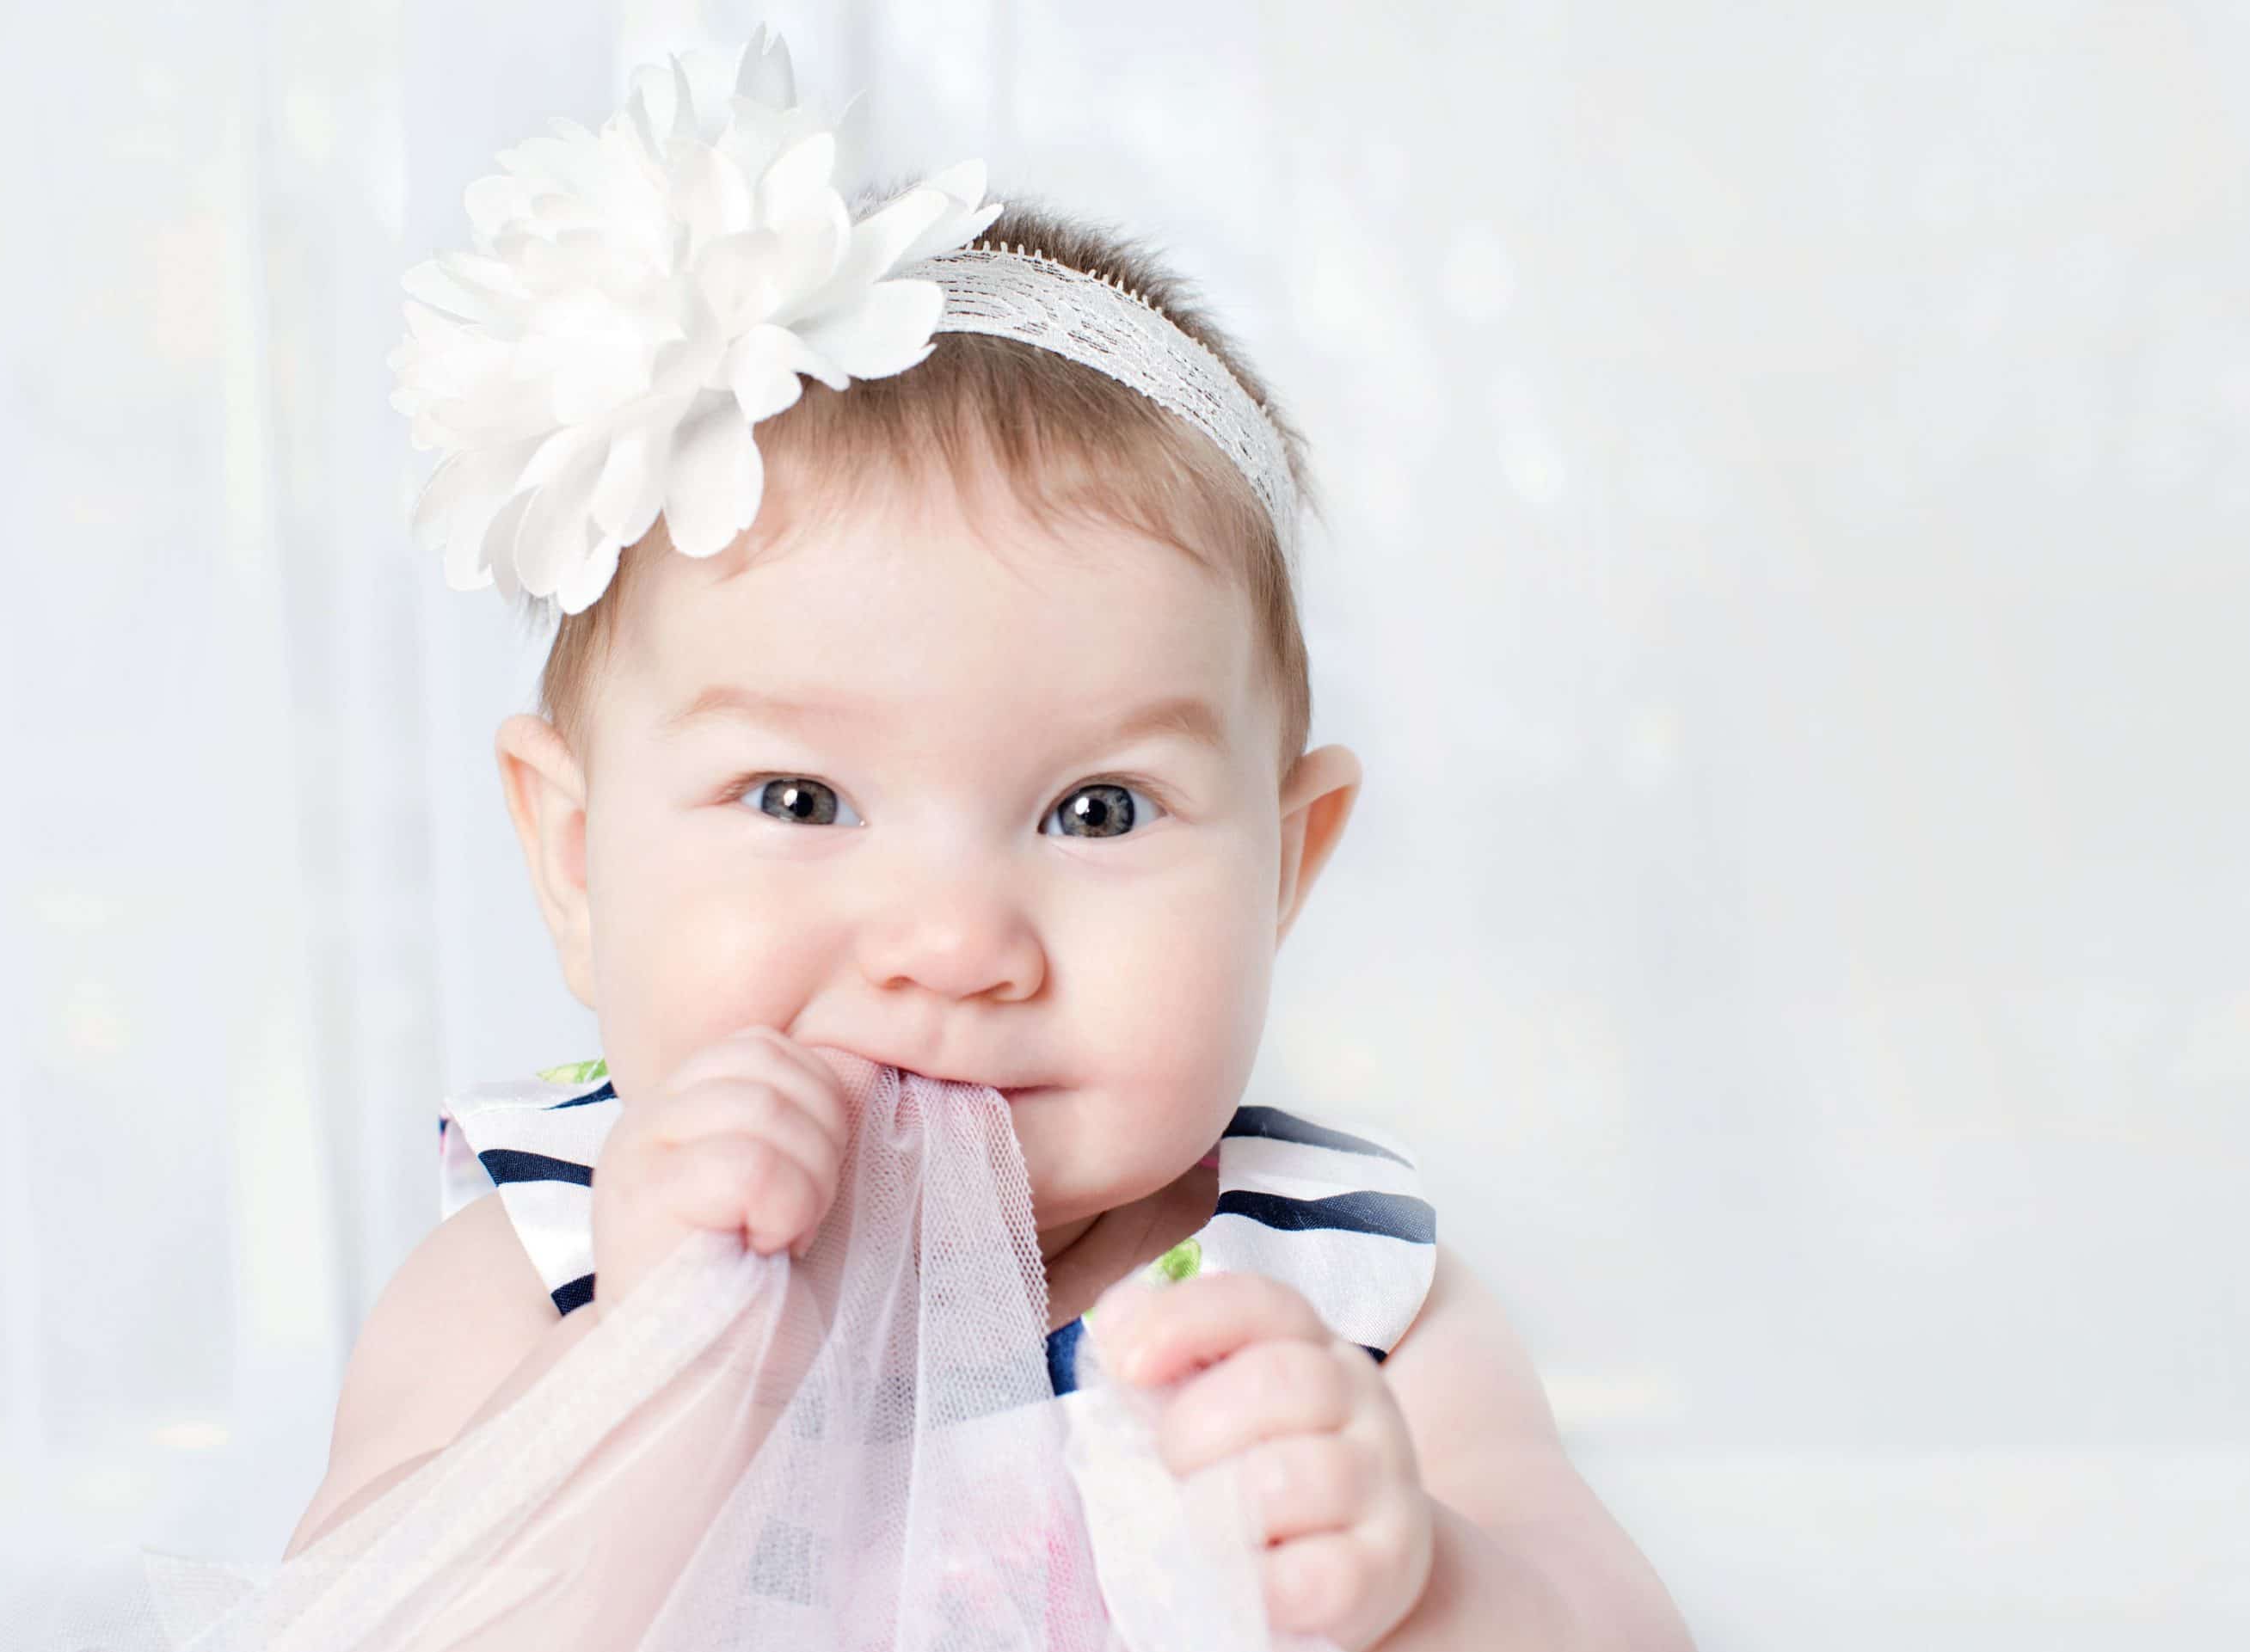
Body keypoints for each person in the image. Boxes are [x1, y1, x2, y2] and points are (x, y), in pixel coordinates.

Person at [286, 28, 1692, 1651]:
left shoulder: (1325, 1297)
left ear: (1285, 871)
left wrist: (1425, 1575)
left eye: (1096, 810)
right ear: (575, 856)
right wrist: (656, 1365)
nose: (954, 942)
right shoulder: (544, 1264)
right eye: (801, 800)